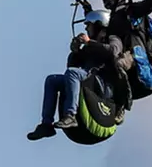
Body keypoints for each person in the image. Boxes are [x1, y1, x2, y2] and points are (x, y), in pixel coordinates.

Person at [27, 9, 129, 140]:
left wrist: (89, 43)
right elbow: (72, 66)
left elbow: (113, 52)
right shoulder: (90, 45)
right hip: (88, 78)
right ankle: (46, 124)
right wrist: (75, 51)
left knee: (73, 74)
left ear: (98, 24)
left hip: (105, 85)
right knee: (52, 80)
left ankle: (71, 115)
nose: (86, 28)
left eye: (89, 25)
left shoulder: (112, 39)